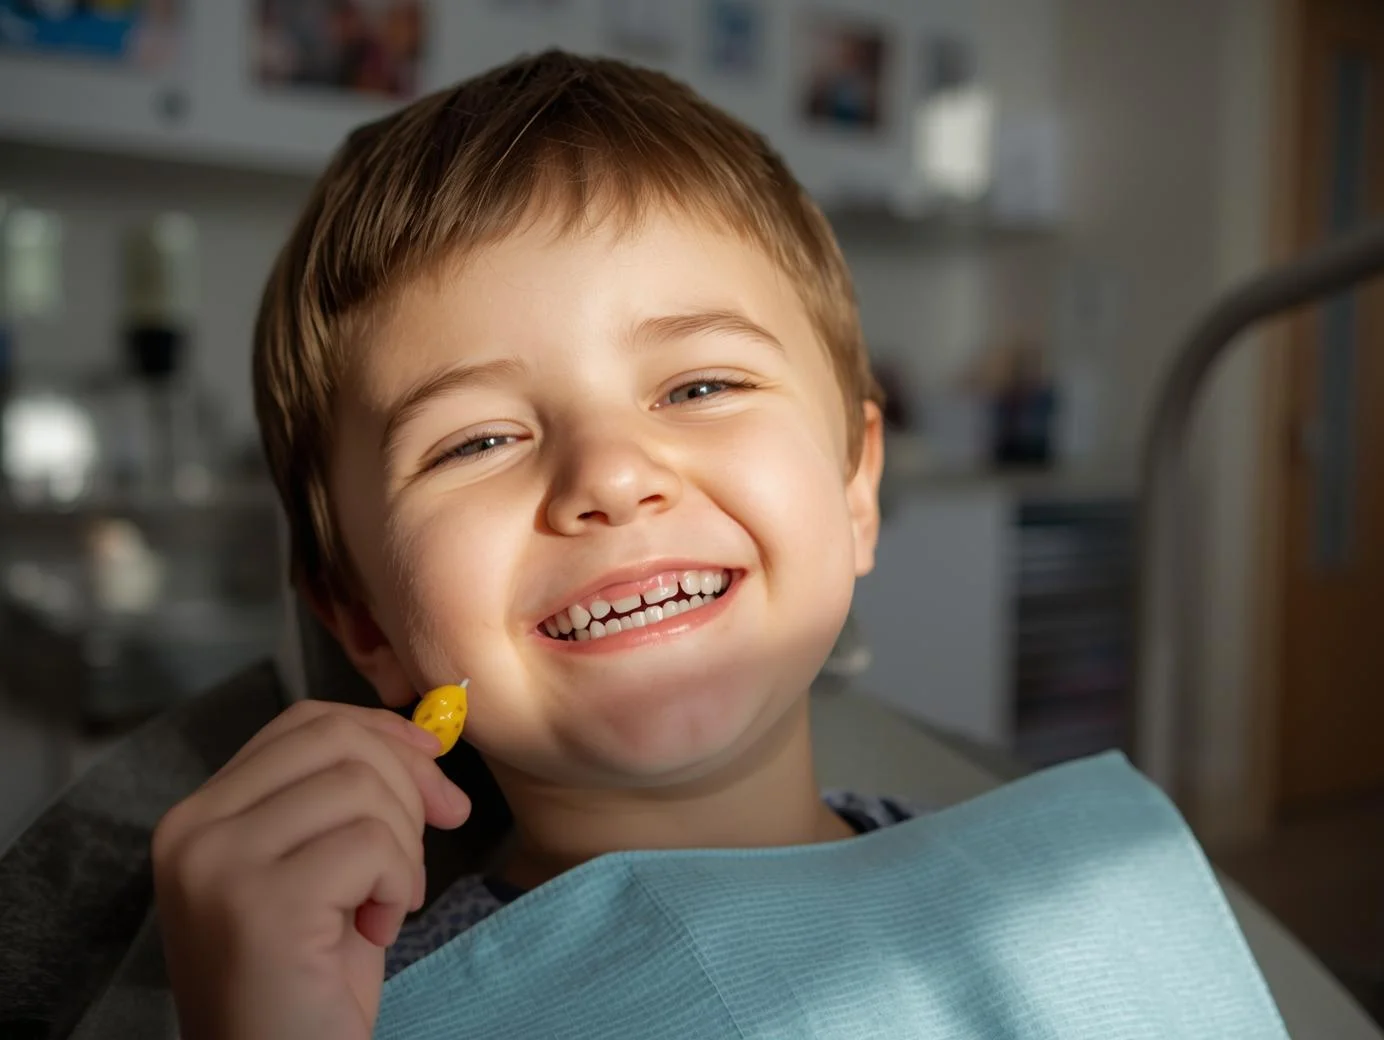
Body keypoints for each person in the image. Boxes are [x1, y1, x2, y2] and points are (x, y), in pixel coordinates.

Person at [151, 49, 905, 1039]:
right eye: (479, 440)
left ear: (855, 485)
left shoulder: (1044, 879)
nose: (608, 473)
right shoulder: (342, 1010)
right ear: (362, 618)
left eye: (699, 386)